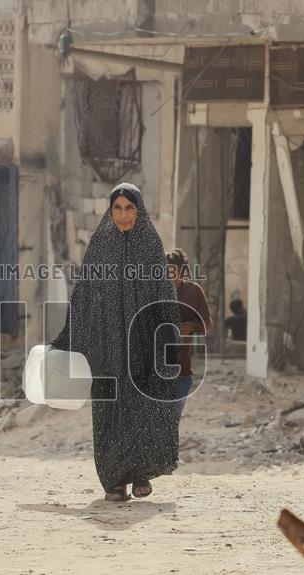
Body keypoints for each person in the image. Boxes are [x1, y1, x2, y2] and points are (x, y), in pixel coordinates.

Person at [50, 183, 181, 502]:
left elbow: (163, 292)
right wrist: (66, 338)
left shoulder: (150, 245)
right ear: (111, 211)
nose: (123, 215)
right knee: (108, 413)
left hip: (142, 346)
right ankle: (113, 480)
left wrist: (166, 337)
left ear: (140, 211)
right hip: (105, 348)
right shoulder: (100, 245)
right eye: (118, 208)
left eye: (130, 208)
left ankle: (140, 475)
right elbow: (82, 294)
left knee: (142, 408)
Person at [165, 248, 211, 421]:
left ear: (182, 271)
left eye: (172, 271)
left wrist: (191, 326)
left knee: (172, 422)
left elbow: (207, 325)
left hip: (182, 374)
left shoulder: (194, 291)